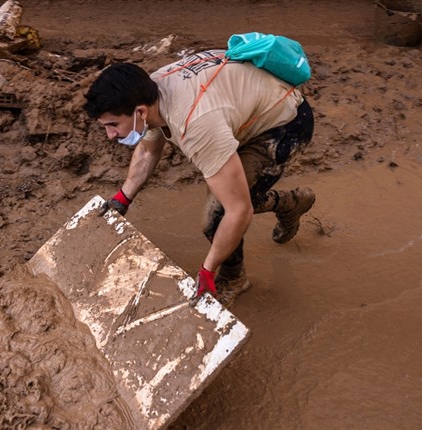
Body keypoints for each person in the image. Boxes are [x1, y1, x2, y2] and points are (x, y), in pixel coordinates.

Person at [82, 51, 316, 306]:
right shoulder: (150, 91)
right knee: (237, 194)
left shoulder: (195, 126)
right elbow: (148, 151)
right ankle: (289, 204)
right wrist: (122, 199)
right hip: (243, 109)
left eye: (113, 125)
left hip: (285, 124)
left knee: (217, 216)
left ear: (140, 112)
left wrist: (207, 270)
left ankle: (234, 278)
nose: (110, 135)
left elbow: (238, 211)